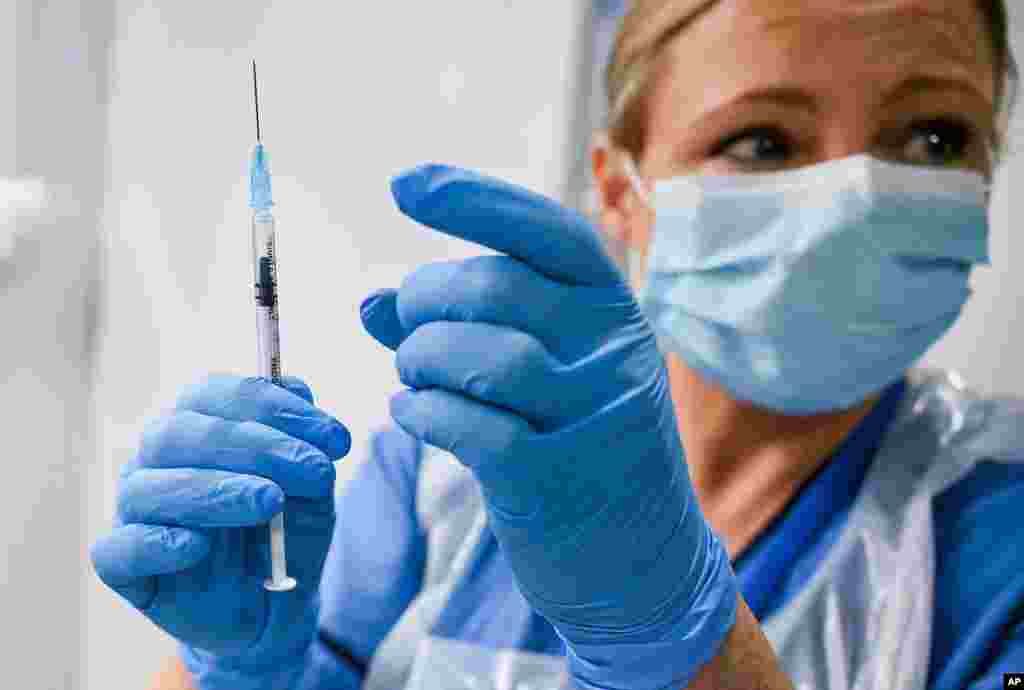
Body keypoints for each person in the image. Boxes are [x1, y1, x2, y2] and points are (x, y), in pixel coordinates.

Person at [90, 1, 1024, 689]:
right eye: (763, 141)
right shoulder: (444, 468)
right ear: (620, 192)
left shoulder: (1000, 540)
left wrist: (670, 632)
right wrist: (239, 671)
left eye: (935, 136)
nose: (855, 196)